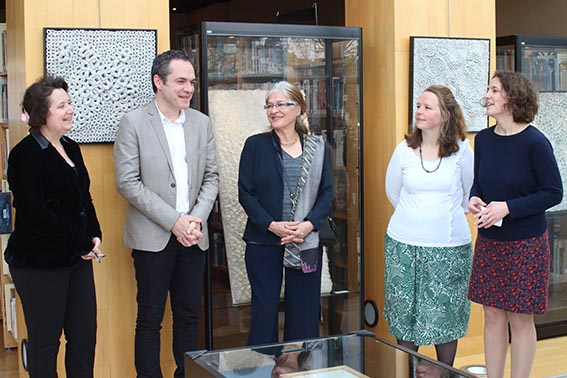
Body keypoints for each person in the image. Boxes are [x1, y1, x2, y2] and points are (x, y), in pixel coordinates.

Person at [114, 50, 219, 377]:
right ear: (158, 82)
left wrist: (194, 219)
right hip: (152, 238)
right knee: (150, 319)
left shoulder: (202, 123)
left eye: (191, 82)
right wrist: (175, 222)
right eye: (180, 81)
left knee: (188, 317)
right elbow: (127, 183)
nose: (188, 88)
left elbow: (212, 177)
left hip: (193, 237)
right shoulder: (133, 122)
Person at [4, 76, 104, 377]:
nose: (70, 109)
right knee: (46, 345)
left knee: (84, 339)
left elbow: (83, 196)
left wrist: (95, 234)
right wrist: (82, 242)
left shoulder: (71, 147)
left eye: (69, 103)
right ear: (41, 114)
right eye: (61, 105)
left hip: (76, 259)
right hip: (39, 265)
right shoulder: (23, 155)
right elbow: (35, 213)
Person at [468, 71, 563, 378]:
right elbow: (479, 184)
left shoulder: (535, 142)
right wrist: (474, 199)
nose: (488, 95)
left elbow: (553, 192)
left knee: (520, 319)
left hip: (526, 244)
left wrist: (508, 208)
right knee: (493, 315)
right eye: (488, 89)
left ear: (512, 97)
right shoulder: (482, 140)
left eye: (494, 90)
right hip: (490, 242)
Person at [384, 85, 473, 366]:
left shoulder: (462, 150)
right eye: (418, 106)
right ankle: (409, 371)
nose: (419, 112)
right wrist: (416, 218)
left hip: (449, 249)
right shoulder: (403, 150)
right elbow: (392, 192)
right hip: (403, 247)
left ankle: (445, 372)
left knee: (445, 316)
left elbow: (469, 195)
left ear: (446, 114)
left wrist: (438, 219)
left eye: (427, 107)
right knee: (405, 314)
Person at [238, 81, 333, 346]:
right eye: (269, 105)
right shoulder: (255, 145)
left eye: (281, 104)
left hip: (306, 242)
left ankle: (300, 369)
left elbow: (327, 194)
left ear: (298, 109)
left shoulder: (318, 147)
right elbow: (245, 193)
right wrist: (271, 225)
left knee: (304, 314)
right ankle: (263, 371)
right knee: (264, 312)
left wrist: (308, 225)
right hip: (264, 240)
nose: (274, 110)